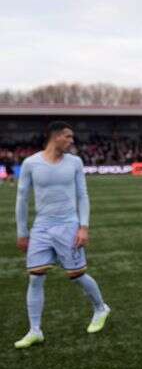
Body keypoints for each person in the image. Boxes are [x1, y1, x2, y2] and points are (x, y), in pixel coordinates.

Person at [14, 121, 110, 349]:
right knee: (35, 277)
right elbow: (22, 198)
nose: (72, 141)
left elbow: (82, 195)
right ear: (56, 137)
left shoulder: (75, 162)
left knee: (76, 275)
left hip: (68, 226)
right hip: (41, 228)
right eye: (68, 136)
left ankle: (101, 307)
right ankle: (35, 330)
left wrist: (83, 227)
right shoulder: (31, 163)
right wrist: (22, 231)